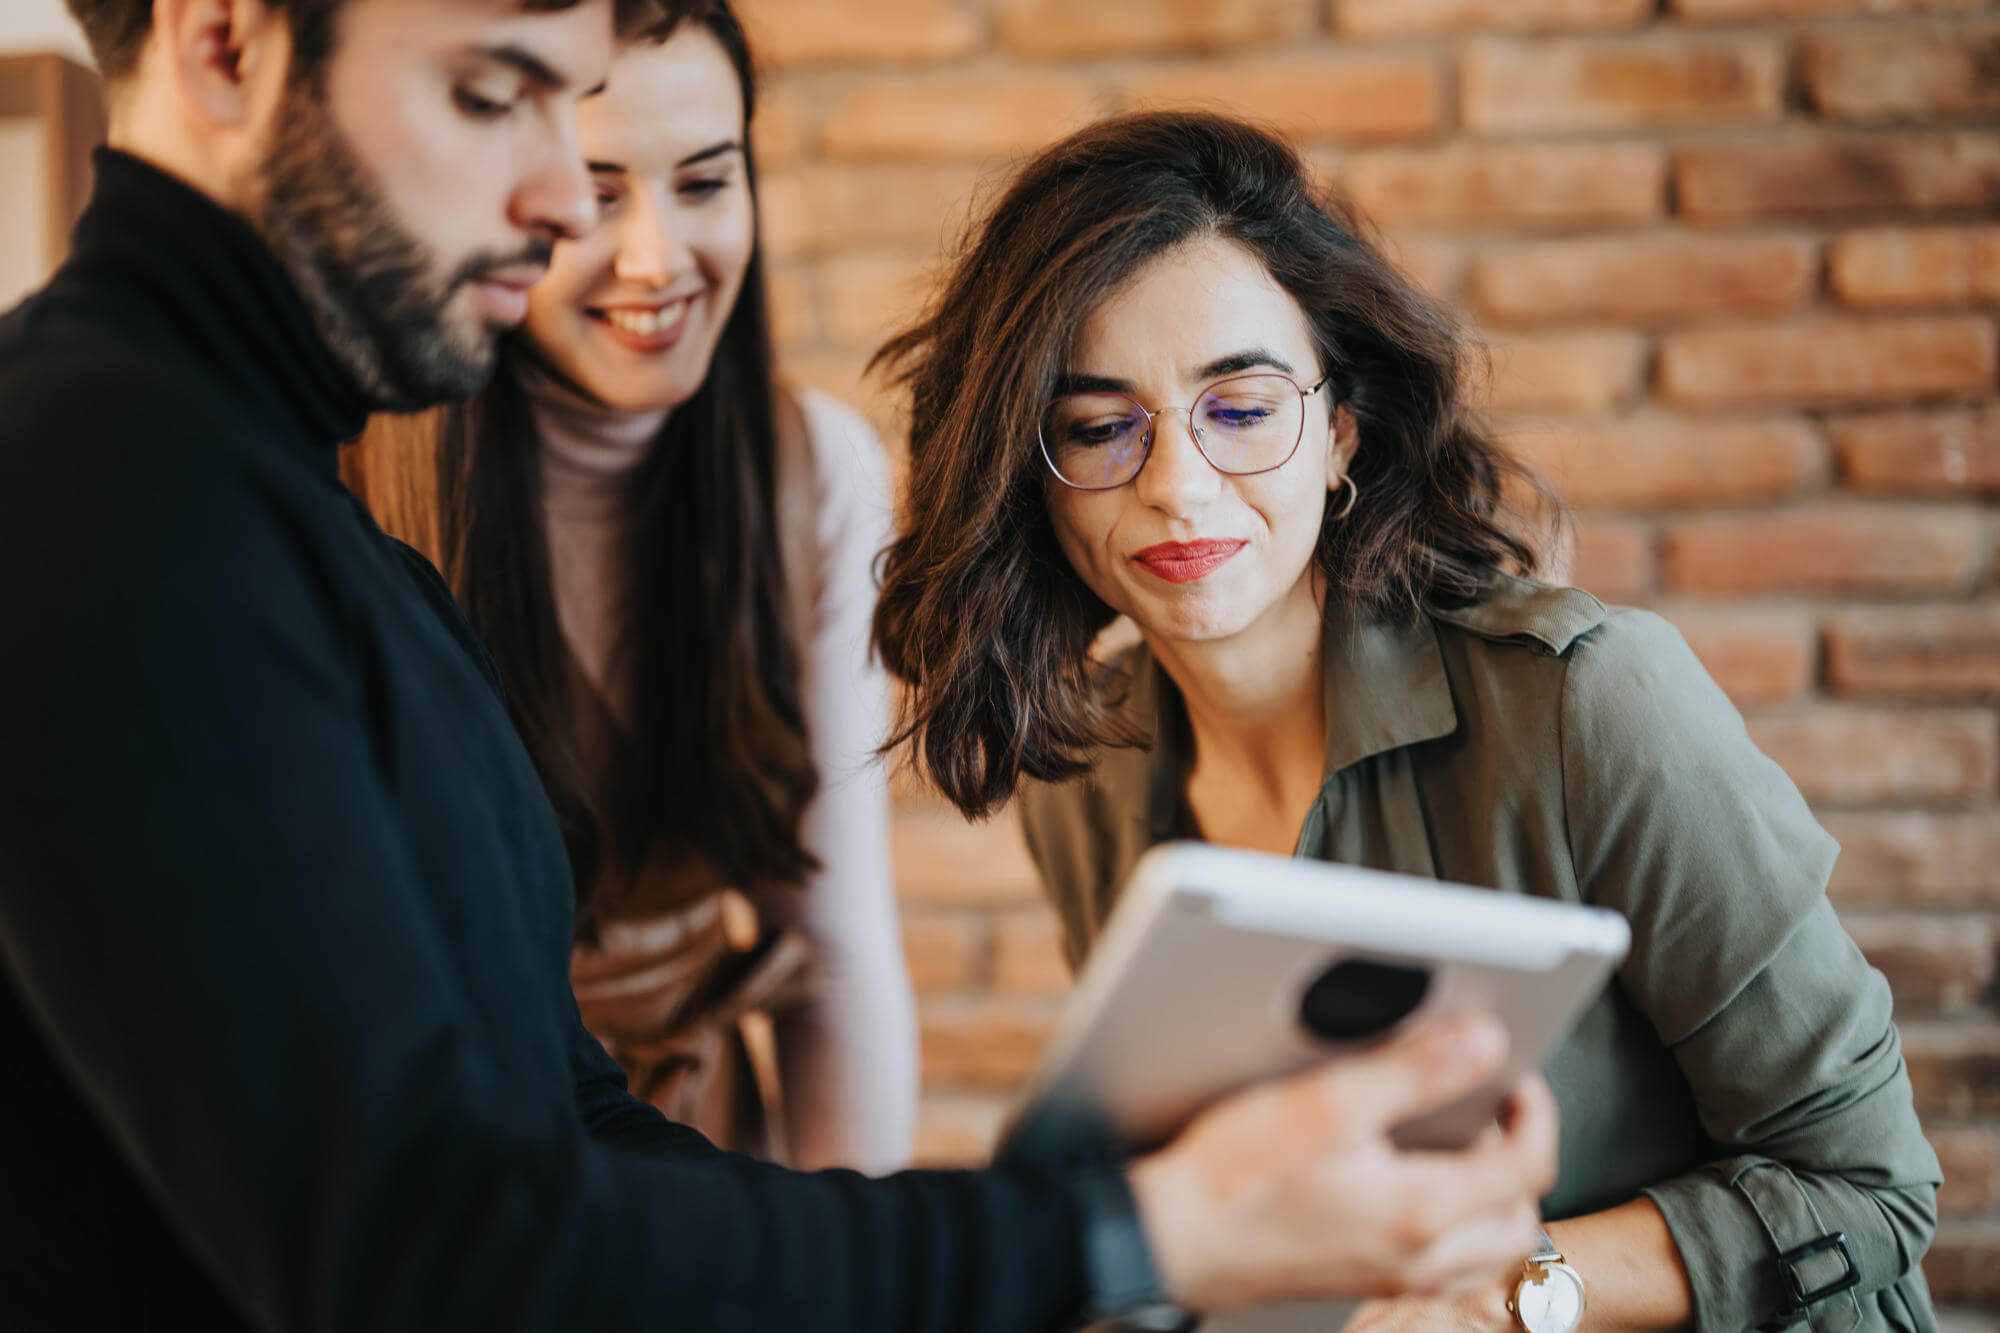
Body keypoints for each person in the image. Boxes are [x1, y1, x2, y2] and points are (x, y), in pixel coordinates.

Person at [0, 2, 1558, 1329]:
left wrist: (1104, 1226)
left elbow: (569, 1124)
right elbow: (433, 1251)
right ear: (224, 41)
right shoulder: (95, 490)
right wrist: (1145, 1229)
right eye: (489, 94)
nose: (556, 195)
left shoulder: (320, 545)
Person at [872, 110, 1942, 1333]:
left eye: (1241, 407)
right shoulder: (1084, 781)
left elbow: (1865, 1188)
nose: (1175, 485)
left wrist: (1495, 1299)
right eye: (1099, 427)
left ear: (1340, 431)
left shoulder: (1589, 704)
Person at [341, 0, 914, 1173]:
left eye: (705, 182)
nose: (658, 259)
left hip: (698, 1157)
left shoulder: (816, 473)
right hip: (439, 1171)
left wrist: (850, 1250)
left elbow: (834, 950)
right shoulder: (343, 480)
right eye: (599, 196)